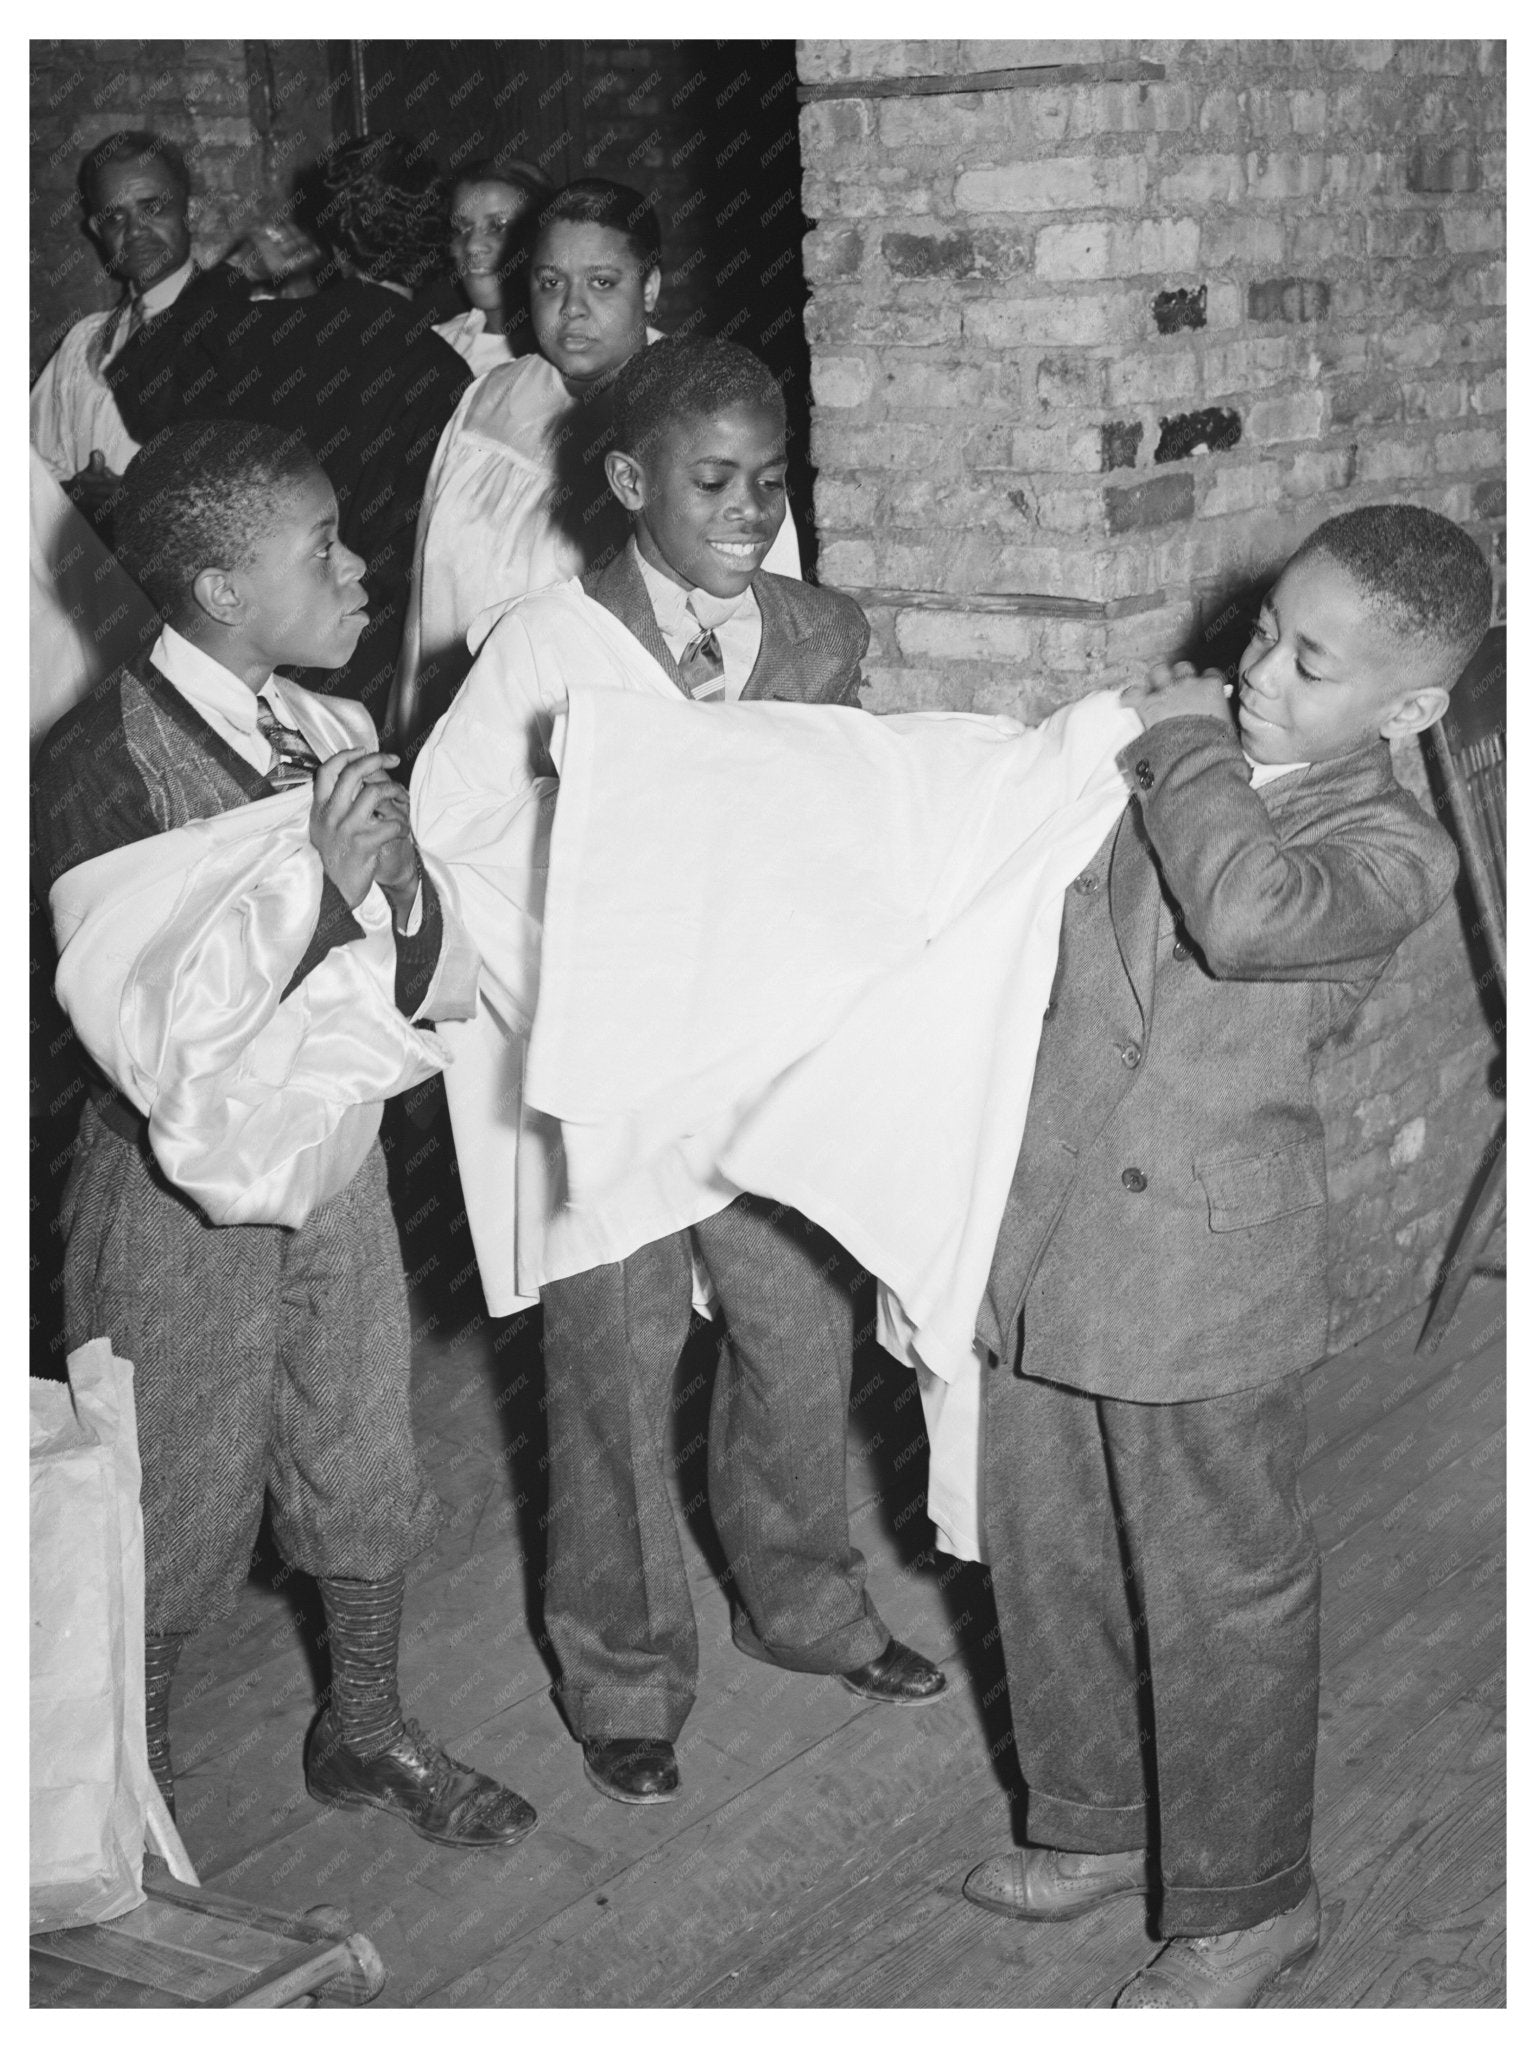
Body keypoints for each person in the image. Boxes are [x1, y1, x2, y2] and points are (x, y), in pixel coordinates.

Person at [960, 503, 1492, 2007]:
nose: (1257, 672)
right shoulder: (1185, 767)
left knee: (1222, 1594)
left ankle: (1255, 1904)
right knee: (1047, 1540)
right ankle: (1090, 1818)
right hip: (1055, 1227)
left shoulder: (1388, 846)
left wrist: (1184, 745)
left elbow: (1249, 918)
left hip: (1205, 1274)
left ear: (1411, 707)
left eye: (1309, 664)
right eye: (1264, 630)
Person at [412, 336, 946, 1806]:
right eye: (711, 481)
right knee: (611, 1361)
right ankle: (626, 1671)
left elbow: (846, 818)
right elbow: (446, 831)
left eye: (771, 481)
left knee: (798, 1334)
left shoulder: (819, 631)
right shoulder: (543, 645)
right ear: (631, 481)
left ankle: (807, 1603)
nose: (749, 508)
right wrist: (586, 922)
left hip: (764, 1061)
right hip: (611, 1072)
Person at [33, 419, 536, 1852]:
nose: (362, 565)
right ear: (220, 593)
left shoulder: (330, 730)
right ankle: (133, 1808)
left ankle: (364, 1729)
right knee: (165, 1500)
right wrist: (323, 888)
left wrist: (402, 891)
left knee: (364, 1446)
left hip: (335, 1162)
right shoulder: (98, 764)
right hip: (169, 1203)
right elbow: (150, 1037)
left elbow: (421, 956)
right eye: (322, 549)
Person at [389, 177, 800, 747]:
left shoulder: (703, 409)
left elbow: (762, 609)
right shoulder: (485, 402)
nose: (572, 308)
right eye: (550, 282)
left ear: (649, 287)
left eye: (602, 283)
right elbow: (428, 601)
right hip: (474, 738)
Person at [104, 134, 472, 725]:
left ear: (335, 239)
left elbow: (143, 382)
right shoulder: (449, 374)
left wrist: (235, 271)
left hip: (244, 646)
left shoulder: (265, 333)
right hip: (375, 663)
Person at [30, 131, 199, 530]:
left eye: (152, 207)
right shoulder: (84, 343)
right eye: (114, 217)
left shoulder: (241, 322)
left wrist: (140, 498)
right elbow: (32, 464)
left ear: (191, 211)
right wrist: (74, 492)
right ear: (95, 230)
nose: (136, 230)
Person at [434, 158, 552, 375]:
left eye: (498, 227)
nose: (473, 246)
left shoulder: (565, 357)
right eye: (462, 229)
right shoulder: (436, 345)